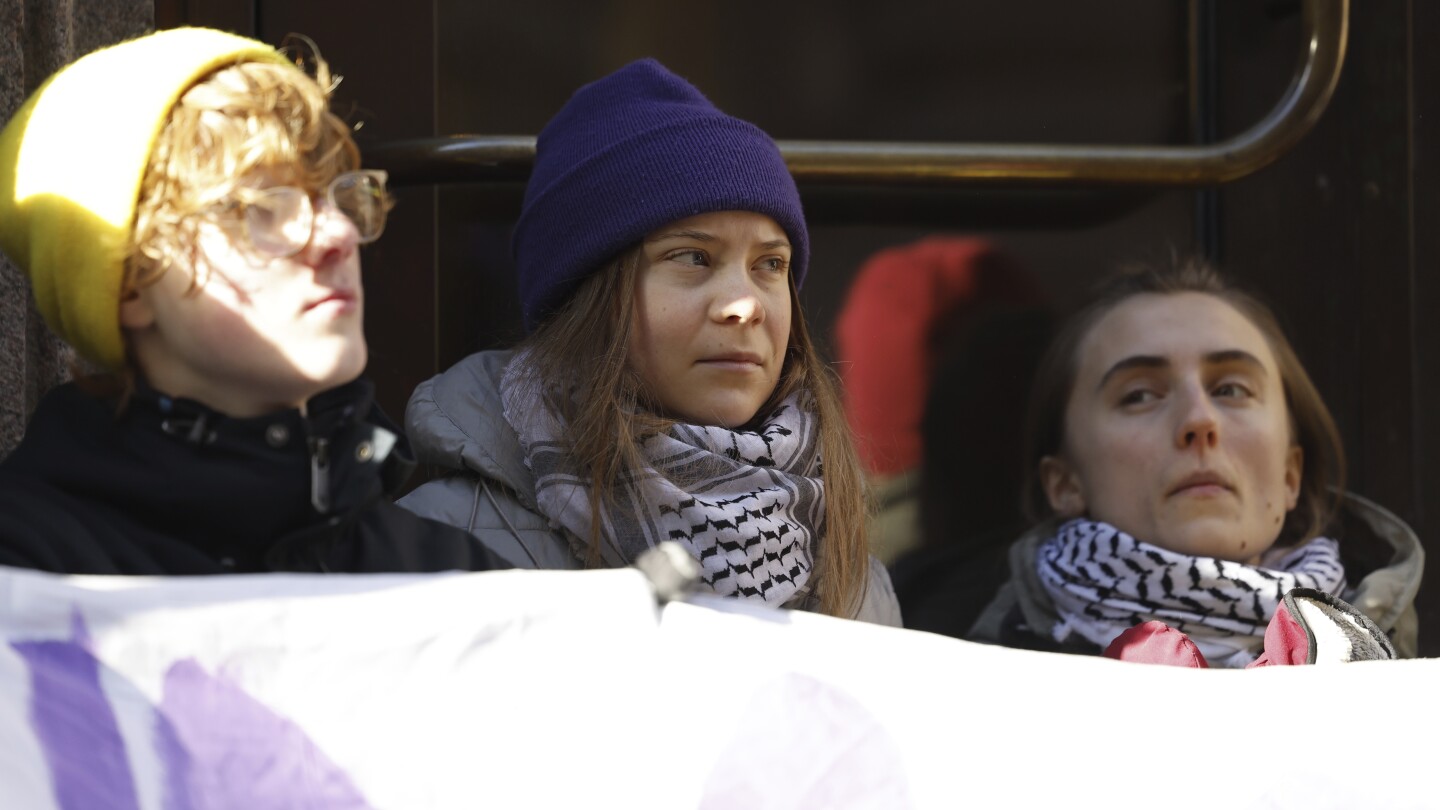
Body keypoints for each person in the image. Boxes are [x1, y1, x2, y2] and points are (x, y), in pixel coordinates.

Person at [398, 58, 900, 625]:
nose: (745, 304)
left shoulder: (848, 565)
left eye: (771, 263)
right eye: (692, 257)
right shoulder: (442, 546)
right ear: (585, 297)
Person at [0, 28, 510, 575]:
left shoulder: (449, 579)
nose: (337, 234)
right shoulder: (28, 575)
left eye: (337, 195)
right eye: (262, 206)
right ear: (130, 282)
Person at [967, 258, 1422, 665]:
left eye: (1231, 390)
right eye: (1139, 395)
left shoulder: (1406, 695)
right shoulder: (972, 687)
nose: (1199, 420)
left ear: (1291, 474)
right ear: (1064, 482)